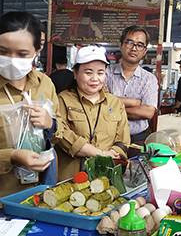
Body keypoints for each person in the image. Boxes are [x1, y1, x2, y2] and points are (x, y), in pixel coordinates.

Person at [0, 12, 58, 199]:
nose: (12, 59)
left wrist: (51, 124)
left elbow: (60, 128)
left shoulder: (44, 84)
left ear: (36, 51)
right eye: (3, 51)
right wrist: (11, 156)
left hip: (42, 192)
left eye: (22, 54)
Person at [54, 45, 130, 181]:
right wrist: (100, 154)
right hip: (71, 177)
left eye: (100, 73)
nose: (95, 78)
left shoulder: (115, 103)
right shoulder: (63, 100)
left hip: (106, 177)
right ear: (75, 74)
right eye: (88, 73)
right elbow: (62, 135)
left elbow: (123, 140)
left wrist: (113, 154)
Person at [106, 26, 158, 146]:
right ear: (121, 45)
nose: (134, 48)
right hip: (108, 138)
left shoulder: (149, 79)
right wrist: (135, 102)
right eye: (130, 42)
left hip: (139, 138)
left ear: (144, 51)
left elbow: (148, 112)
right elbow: (101, 105)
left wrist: (113, 108)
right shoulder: (105, 73)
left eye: (140, 45)